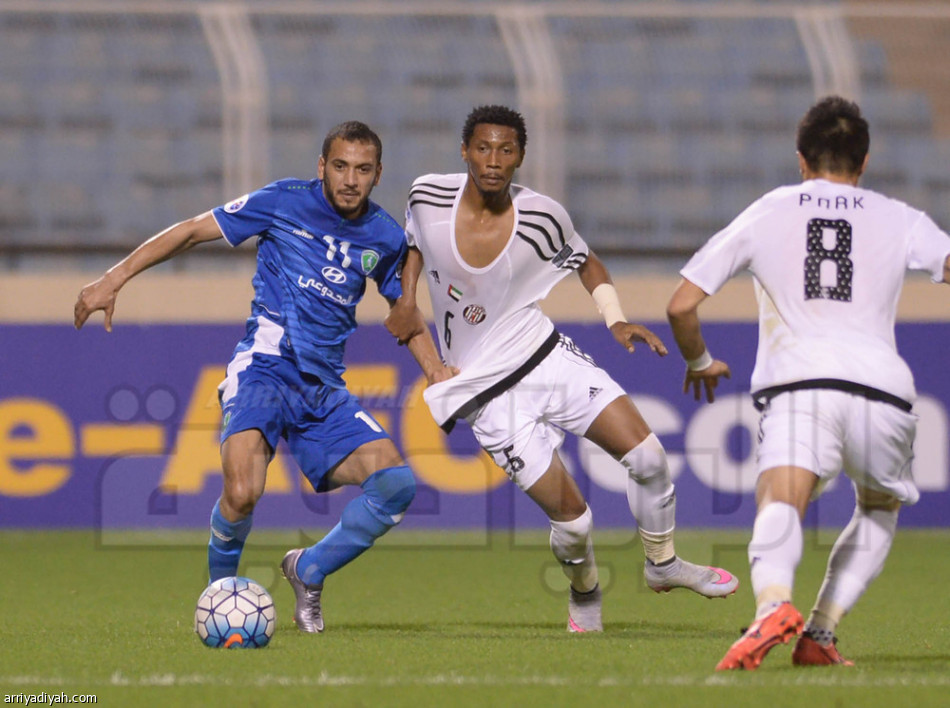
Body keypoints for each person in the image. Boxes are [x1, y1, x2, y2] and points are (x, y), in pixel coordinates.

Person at [74, 121, 451, 634]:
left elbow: (406, 317)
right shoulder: (283, 201)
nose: (349, 179)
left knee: (396, 485)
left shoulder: (385, 237)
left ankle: (309, 568)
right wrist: (112, 278)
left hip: (322, 389)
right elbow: (189, 231)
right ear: (322, 167)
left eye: (363, 170)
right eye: (339, 166)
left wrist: (437, 375)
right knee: (244, 490)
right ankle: (217, 601)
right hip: (264, 370)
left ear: (378, 174)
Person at [387, 104, 738, 633]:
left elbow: (587, 261)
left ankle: (662, 563)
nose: (493, 160)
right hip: (484, 393)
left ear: (521, 157)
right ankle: (585, 594)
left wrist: (616, 320)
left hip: (543, 356)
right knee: (574, 522)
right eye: (483, 148)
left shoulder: (543, 217)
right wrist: (407, 297)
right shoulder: (427, 194)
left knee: (648, 456)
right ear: (464, 151)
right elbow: (415, 239)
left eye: (506, 150)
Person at [667, 96, 950, 670]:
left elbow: (680, 306)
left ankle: (773, 602)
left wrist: (700, 362)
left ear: (801, 159)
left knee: (782, 500)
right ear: (863, 161)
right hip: (883, 391)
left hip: (800, 386)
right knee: (877, 508)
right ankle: (820, 633)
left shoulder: (770, 210)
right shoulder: (900, 217)